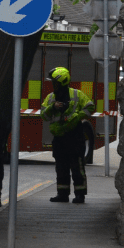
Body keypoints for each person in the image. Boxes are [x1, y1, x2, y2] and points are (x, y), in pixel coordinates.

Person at [39, 67, 95, 203]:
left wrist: (77, 116)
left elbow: (91, 107)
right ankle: (62, 194)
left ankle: (80, 195)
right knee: (61, 167)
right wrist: (52, 107)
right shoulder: (51, 97)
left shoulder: (77, 94)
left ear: (62, 82)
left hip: (75, 136)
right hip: (59, 138)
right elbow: (44, 116)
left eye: (55, 82)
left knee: (77, 167)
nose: (53, 85)